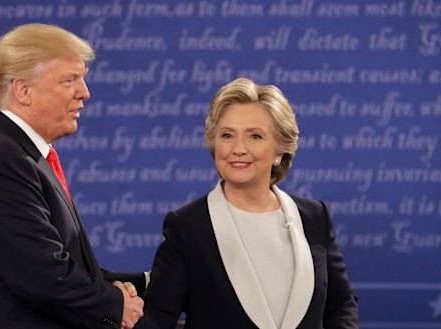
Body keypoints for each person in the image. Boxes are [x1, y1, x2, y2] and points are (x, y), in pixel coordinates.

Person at [0, 23, 145, 329]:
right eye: (70, 80)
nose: (85, 93)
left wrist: (146, 285)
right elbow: (44, 277)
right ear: (23, 90)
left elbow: (66, 265)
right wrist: (115, 305)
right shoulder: (1, 163)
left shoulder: (17, 153)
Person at [137, 78, 359, 329]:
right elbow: (158, 317)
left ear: (279, 150)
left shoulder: (314, 216)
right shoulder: (187, 227)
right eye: (227, 135)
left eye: (255, 136)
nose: (238, 148)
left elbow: (341, 303)